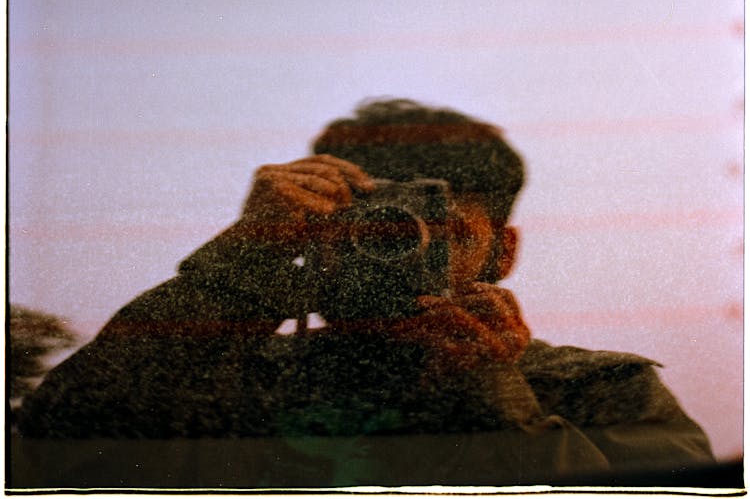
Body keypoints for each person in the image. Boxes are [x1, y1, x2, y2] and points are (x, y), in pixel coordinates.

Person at [15, 99, 714, 488]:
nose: (389, 243)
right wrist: (239, 269)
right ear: (308, 223)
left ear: (501, 253)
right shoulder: (222, 373)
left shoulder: (597, 390)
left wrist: (492, 399)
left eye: (426, 227)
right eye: (364, 221)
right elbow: (56, 447)